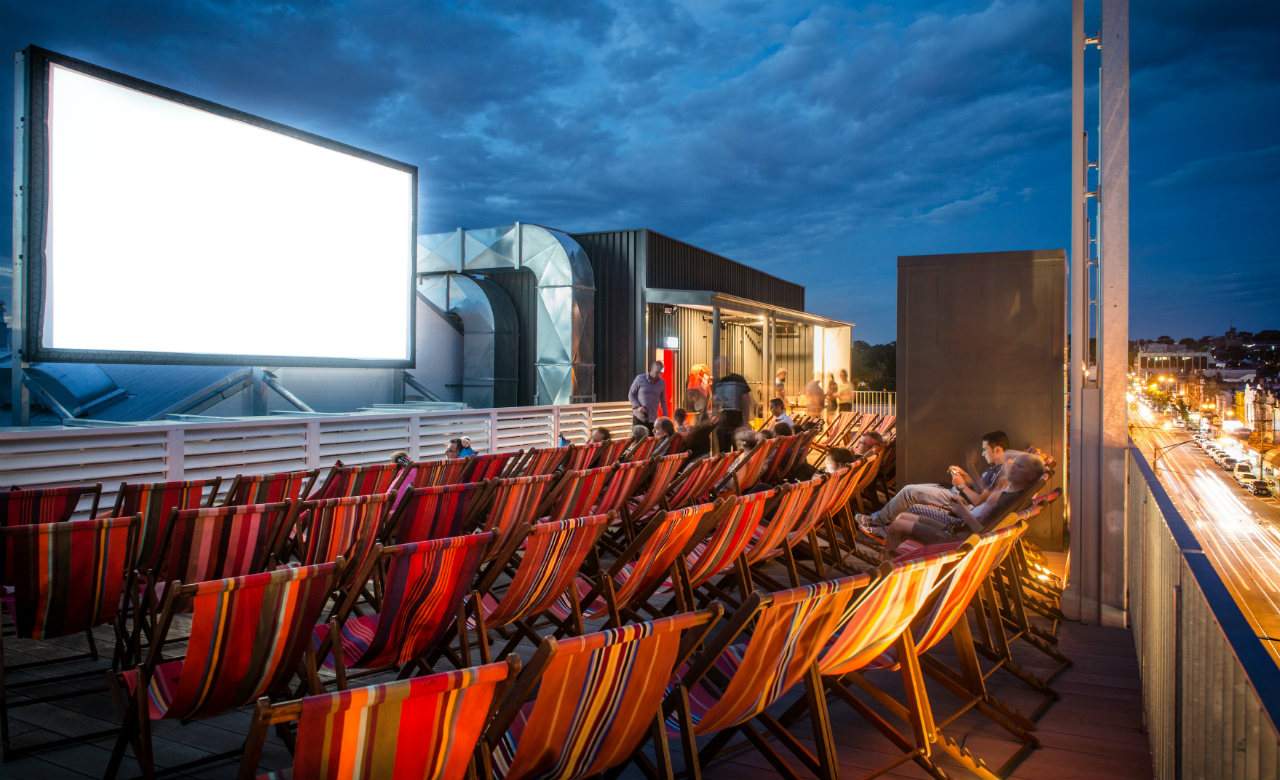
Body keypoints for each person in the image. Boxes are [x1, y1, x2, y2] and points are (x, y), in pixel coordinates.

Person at [879, 453, 1046, 553]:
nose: (1013, 467)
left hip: (957, 537)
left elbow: (981, 531)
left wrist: (961, 510)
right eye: (1015, 464)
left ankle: (887, 571)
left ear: (1031, 477)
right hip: (958, 527)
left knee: (897, 526)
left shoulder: (1007, 501)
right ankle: (898, 558)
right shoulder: (1009, 491)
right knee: (901, 517)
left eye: (1020, 467)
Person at [857, 430, 1019, 532]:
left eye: (985, 450)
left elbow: (979, 502)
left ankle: (876, 521)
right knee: (912, 490)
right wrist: (964, 474)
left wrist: (961, 485)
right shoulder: (997, 468)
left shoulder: (1003, 473)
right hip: (959, 494)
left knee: (909, 492)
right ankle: (878, 518)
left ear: (997, 449)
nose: (983, 454)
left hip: (961, 504)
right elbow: (981, 489)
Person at [712, 360, 753, 453]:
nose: (718, 369)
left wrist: (745, 422)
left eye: (720, 366)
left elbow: (746, 400)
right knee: (723, 453)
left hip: (737, 422)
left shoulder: (738, 379)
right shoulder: (716, 382)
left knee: (740, 451)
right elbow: (713, 403)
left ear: (728, 366)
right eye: (716, 367)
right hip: (722, 424)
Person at [629, 361, 669, 430]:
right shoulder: (640, 379)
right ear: (651, 369)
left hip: (653, 419)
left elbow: (663, 401)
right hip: (639, 418)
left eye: (660, 373)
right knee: (639, 440)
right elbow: (631, 394)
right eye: (657, 372)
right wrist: (638, 407)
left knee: (651, 440)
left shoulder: (662, 383)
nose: (659, 375)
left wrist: (666, 417)